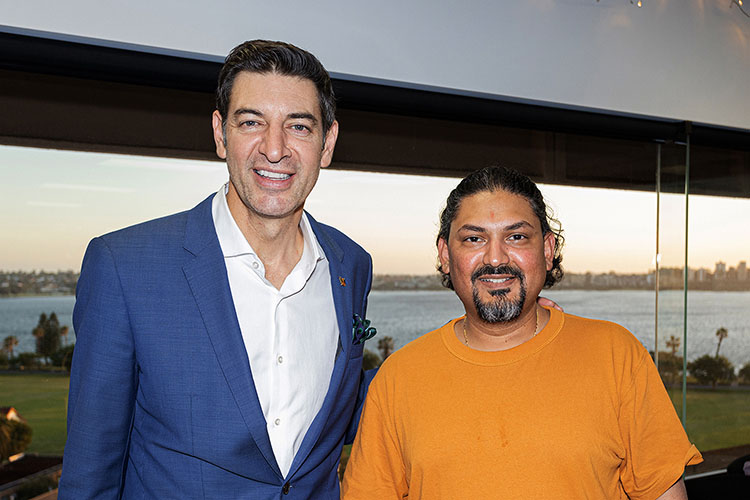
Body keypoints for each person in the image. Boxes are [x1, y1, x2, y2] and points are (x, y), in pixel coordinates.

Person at [58, 40, 374, 499]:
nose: (275, 149)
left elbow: (338, 419)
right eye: (251, 123)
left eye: (299, 127)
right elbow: (91, 472)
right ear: (220, 133)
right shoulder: (124, 267)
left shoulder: (352, 265)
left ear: (327, 144)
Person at [342, 166, 702, 499]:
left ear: (547, 250)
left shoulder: (615, 355)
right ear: (446, 255)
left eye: (516, 236)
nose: (496, 258)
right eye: (473, 239)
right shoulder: (399, 378)